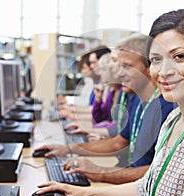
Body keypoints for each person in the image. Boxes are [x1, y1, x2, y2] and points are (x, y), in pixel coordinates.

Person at [34, 9, 184, 196]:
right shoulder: (174, 119)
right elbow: (148, 187)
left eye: (179, 57)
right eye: (157, 59)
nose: (164, 71)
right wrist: (82, 192)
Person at [34, 34, 175, 184]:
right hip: (129, 179)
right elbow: (118, 143)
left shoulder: (167, 109)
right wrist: (68, 149)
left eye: (126, 66)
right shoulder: (137, 100)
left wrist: (100, 172)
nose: (119, 73)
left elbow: (158, 172)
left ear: (151, 67)